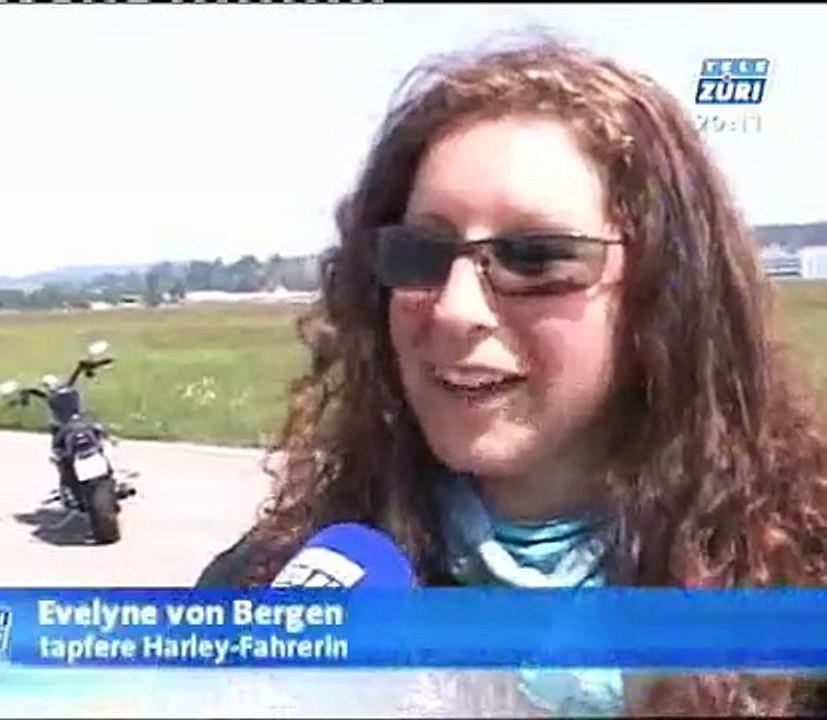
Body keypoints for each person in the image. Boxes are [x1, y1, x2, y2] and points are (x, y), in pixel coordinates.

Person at [196, 34, 827, 716]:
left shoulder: (798, 590)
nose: (455, 309)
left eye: (534, 257)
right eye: (421, 253)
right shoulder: (268, 592)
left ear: (664, 294)